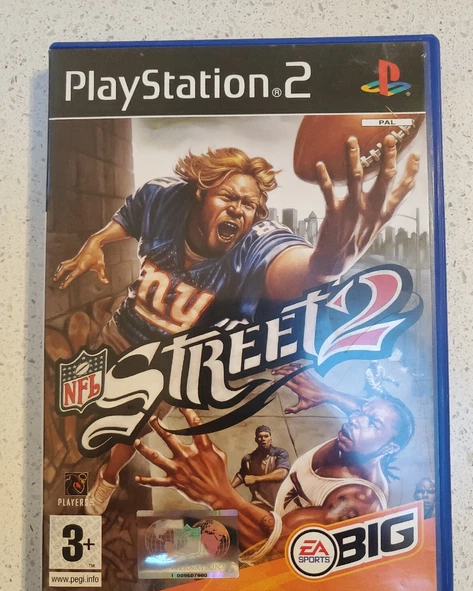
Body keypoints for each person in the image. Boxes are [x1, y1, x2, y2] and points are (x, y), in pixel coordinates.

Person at [55, 138, 419, 515]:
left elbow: (301, 269)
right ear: (200, 193)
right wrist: (97, 241)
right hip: (122, 329)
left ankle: (109, 477)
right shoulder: (163, 198)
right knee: (83, 403)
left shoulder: (255, 243)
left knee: (132, 426)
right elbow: (129, 215)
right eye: (228, 196)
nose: (238, 209)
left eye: (248, 204)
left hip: (169, 362)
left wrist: (331, 261)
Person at [133, 366, 415, 558]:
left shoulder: (358, 501)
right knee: (148, 543)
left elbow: (273, 551)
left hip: (271, 559)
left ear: (390, 447)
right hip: (269, 521)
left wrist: (218, 494)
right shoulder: (359, 438)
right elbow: (371, 411)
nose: (356, 419)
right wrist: (329, 394)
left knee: (151, 550)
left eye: (372, 422)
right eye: (361, 411)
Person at [231, 426, 291, 510]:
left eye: (266, 436)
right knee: (233, 515)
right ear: (256, 439)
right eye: (260, 437)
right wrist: (228, 488)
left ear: (270, 439)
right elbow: (241, 475)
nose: (263, 439)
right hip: (260, 504)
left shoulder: (280, 453)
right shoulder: (249, 459)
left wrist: (256, 479)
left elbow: (282, 473)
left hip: (282, 502)